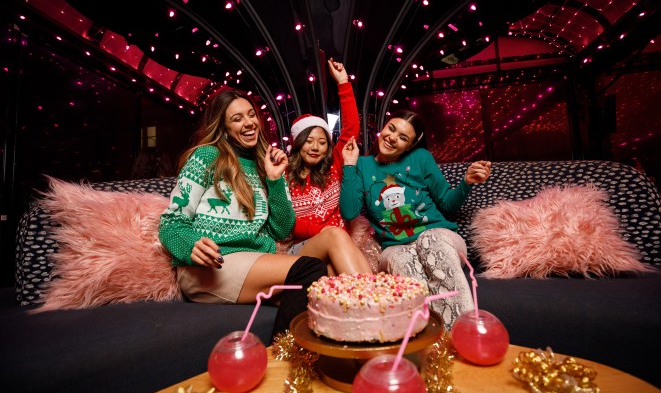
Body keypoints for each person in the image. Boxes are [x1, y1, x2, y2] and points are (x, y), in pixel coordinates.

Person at [158, 88, 327, 338]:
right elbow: (171, 222)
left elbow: (280, 230)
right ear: (224, 128)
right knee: (311, 269)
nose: (249, 123)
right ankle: (286, 358)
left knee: (332, 285)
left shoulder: (264, 163)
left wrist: (274, 180)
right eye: (237, 119)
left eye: (251, 115)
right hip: (211, 266)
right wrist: (190, 244)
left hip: (252, 263)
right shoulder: (206, 156)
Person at [340, 109, 491, 329]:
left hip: (440, 239)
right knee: (400, 258)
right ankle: (429, 338)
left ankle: (464, 331)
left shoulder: (420, 158)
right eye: (391, 129)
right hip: (396, 247)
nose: (393, 138)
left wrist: (466, 183)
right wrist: (349, 165)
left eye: (403, 137)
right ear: (382, 129)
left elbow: (447, 203)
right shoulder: (362, 165)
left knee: (429, 240)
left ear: (410, 146)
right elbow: (350, 212)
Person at [286, 58, 372, 276]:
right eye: (309, 141)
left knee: (336, 275)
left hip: (339, 244)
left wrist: (343, 82)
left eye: (322, 142)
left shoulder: (334, 164)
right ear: (297, 144)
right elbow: (289, 223)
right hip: (303, 248)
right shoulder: (284, 173)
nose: (315, 147)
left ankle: (372, 303)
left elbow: (351, 128)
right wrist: (327, 232)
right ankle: (377, 300)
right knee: (333, 236)